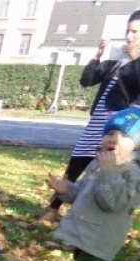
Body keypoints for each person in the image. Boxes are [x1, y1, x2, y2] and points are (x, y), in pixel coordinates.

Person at [38, 107, 140, 261]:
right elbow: (82, 195)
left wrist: (109, 172)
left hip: (102, 237)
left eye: (124, 136)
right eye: (110, 133)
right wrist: (65, 189)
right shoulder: (97, 164)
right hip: (86, 231)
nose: (114, 139)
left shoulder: (132, 173)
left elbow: (111, 203)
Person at [39, 14, 140, 223]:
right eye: (127, 31)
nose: (129, 36)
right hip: (97, 125)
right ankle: (52, 209)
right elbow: (87, 79)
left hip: (122, 130)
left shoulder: (135, 64)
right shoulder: (115, 62)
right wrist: (99, 55)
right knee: (74, 167)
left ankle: (91, 218)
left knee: (106, 172)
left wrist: (135, 59)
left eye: (135, 32)